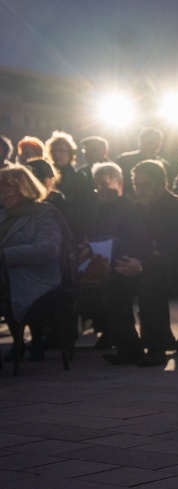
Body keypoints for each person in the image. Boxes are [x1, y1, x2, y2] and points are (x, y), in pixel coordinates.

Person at [102, 160, 178, 367]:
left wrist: (143, 266)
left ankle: (156, 348)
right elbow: (130, 240)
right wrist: (126, 262)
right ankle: (129, 346)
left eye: (145, 185)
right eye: (136, 185)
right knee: (112, 284)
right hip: (148, 266)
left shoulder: (177, 207)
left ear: (161, 184)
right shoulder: (137, 208)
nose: (140, 190)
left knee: (150, 285)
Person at [0, 165, 67, 361]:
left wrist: (6, 256)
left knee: (9, 288)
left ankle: (30, 340)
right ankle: (18, 340)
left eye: (9, 187)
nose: (4, 192)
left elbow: (48, 248)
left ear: (24, 187)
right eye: (1, 187)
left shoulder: (44, 213)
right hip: (7, 274)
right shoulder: (3, 216)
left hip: (36, 275)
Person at [82, 162, 149, 355]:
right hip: (101, 258)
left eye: (105, 184)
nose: (101, 190)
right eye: (97, 185)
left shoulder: (130, 207)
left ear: (118, 183)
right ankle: (115, 336)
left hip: (124, 259)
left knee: (113, 286)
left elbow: (136, 239)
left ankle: (125, 342)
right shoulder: (97, 207)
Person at [45, 131, 94, 241]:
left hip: (70, 230)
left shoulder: (79, 178)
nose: (57, 154)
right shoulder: (46, 178)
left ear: (70, 153)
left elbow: (84, 209)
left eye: (62, 150)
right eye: (54, 150)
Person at [116, 128, 173, 197]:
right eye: (147, 142)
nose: (148, 145)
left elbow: (167, 189)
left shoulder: (165, 166)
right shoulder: (123, 160)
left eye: (152, 142)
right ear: (140, 142)